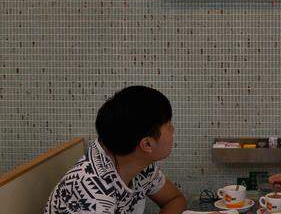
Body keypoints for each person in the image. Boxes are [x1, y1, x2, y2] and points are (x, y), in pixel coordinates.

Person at [44, 86, 187, 214]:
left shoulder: (135, 160)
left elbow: (175, 199)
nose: (173, 129)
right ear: (147, 145)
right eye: (168, 126)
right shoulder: (94, 195)